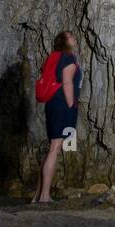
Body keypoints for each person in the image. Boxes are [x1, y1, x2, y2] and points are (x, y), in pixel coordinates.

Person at [33, 30, 81, 203]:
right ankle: (45, 196)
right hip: (63, 105)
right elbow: (67, 82)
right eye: (71, 35)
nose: (74, 37)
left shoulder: (54, 57)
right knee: (56, 147)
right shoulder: (68, 58)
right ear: (64, 41)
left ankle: (38, 195)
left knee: (53, 148)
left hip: (53, 105)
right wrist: (71, 105)